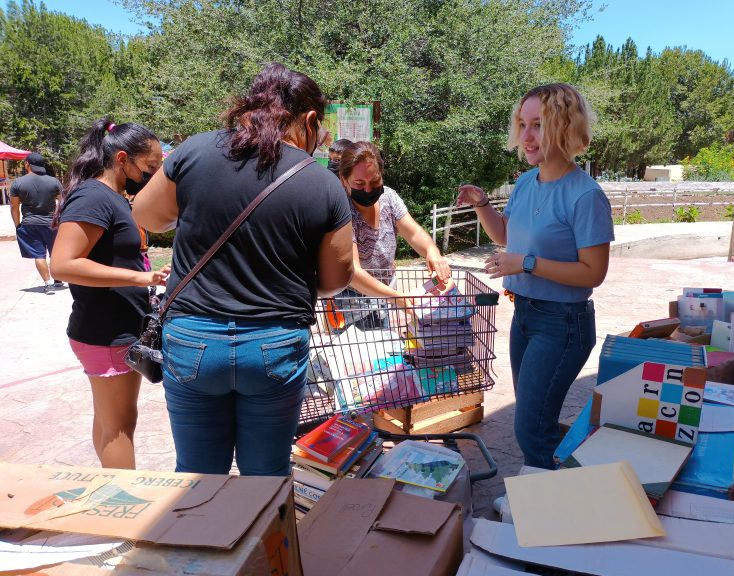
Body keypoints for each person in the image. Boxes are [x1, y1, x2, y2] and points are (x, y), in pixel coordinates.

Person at [132, 62, 353, 477]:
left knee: (198, 474)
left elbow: (146, 214)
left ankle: (200, 541)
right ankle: (265, 542)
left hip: (193, 341)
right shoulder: (322, 183)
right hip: (274, 346)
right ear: (308, 120)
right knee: (266, 474)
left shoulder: (194, 152)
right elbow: (336, 279)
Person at [457, 83, 614, 471]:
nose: (526, 137)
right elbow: (506, 234)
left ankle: (541, 513)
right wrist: (481, 204)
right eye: (522, 124)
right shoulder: (528, 182)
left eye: (539, 125)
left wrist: (525, 264)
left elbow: (594, 273)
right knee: (534, 418)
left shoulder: (585, 195)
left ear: (566, 127)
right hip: (525, 315)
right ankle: (555, 493)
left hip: (562, 324)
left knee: (531, 426)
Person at [50, 119, 170, 469]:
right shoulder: (93, 196)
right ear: (122, 158)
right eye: (150, 166)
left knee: (107, 421)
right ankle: (127, 515)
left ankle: (112, 503)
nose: (154, 173)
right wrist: (139, 277)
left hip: (109, 328)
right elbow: (63, 264)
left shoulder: (110, 196)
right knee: (120, 427)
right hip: (107, 332)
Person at [333, 140, 451, 329]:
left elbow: (414, 233)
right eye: (359, 183)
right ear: (344, 180)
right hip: (351, 307)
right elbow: (353, 272)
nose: (368, 190)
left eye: (375, 181)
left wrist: (431, 251)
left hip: (384, 297)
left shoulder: (388, 197)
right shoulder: (340, 209)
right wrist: (397, 298)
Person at [9, 152, 63, 294]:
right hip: (52, 223)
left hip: (30, 224)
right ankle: (57, 278)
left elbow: (14, 207)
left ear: (27, 164)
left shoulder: (18, 183)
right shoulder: (54, 181)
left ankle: (48, 284)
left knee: (39, 255)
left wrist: (17, 224)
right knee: (55, 253)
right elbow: (63, 202)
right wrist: (58, 217)